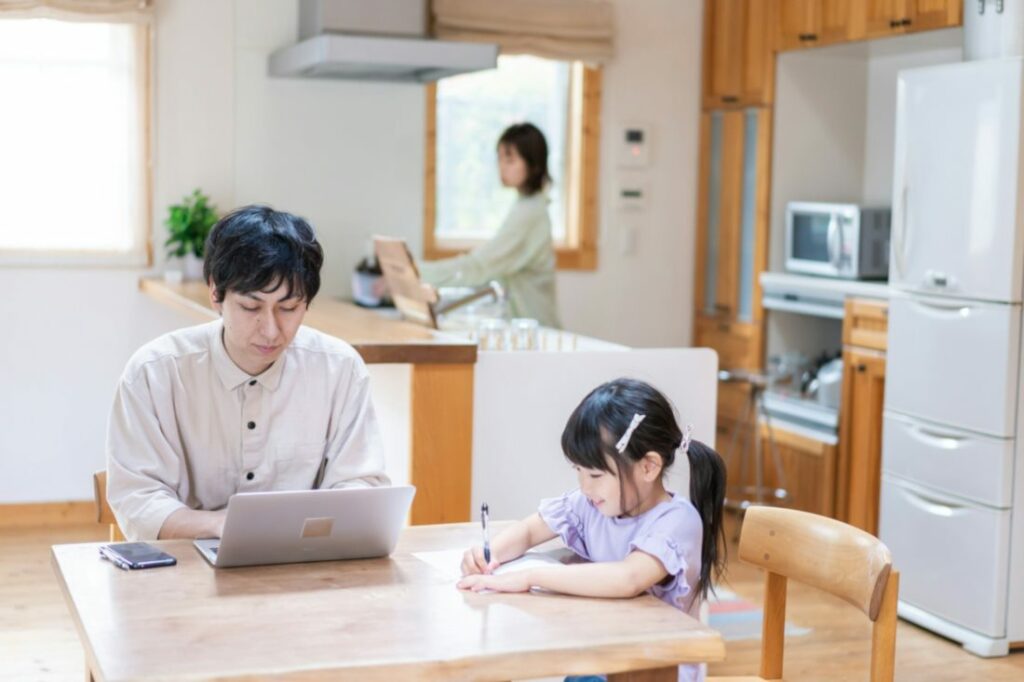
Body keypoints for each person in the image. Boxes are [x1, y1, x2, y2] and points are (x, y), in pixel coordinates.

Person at [106, 205, 389, 541]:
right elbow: (137, 499)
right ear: (215, 292)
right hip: (185, 566)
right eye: (251, 307)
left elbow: (361, 483)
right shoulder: (155, 372)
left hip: (303, 566)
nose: (270, 331)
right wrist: (219, 526)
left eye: (289, 308)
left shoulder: (339, 368)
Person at [457, 378, 727, 682]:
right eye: (578, 471)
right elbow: (530, 531)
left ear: (649, 466)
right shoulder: (594, 504)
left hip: (654, 668)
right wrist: (489, 554)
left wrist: (529, 577)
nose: (584, 487)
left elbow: (627, 578)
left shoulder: (678, 522)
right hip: (598, 656)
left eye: (596, 474)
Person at [419, 122, 561, 328]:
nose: (501, 166)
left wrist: (417, 273)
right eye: (500, 158)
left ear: (533, 163)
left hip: (536, 331)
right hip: (529, 330)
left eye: (510, 159)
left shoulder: (530, 214)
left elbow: (479, 266)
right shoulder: (528, 206)